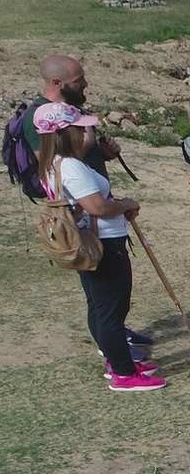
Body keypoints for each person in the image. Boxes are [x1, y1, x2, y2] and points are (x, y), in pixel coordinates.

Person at [22, 55, 153, 356]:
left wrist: (102, 153)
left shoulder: (67, 111)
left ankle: (115, 336)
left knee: (105, 298)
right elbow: (57, 165)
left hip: (92, 213)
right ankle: (114, 348)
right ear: (57, 83)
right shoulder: (40, 119)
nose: (86, 84)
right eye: (79, 81)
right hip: (87, 221)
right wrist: (117, 202)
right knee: (104, 296)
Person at [34, 103, 162, 392]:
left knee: (100, 306)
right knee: (112, 310)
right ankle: (124, 374)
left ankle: (116, 361)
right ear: (71, 134)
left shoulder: (51, 164)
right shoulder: (72, 167)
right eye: (85, 128)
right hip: (103, 244)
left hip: (87, 243)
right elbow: (98, 207)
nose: (90, 132)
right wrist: (127, 204)